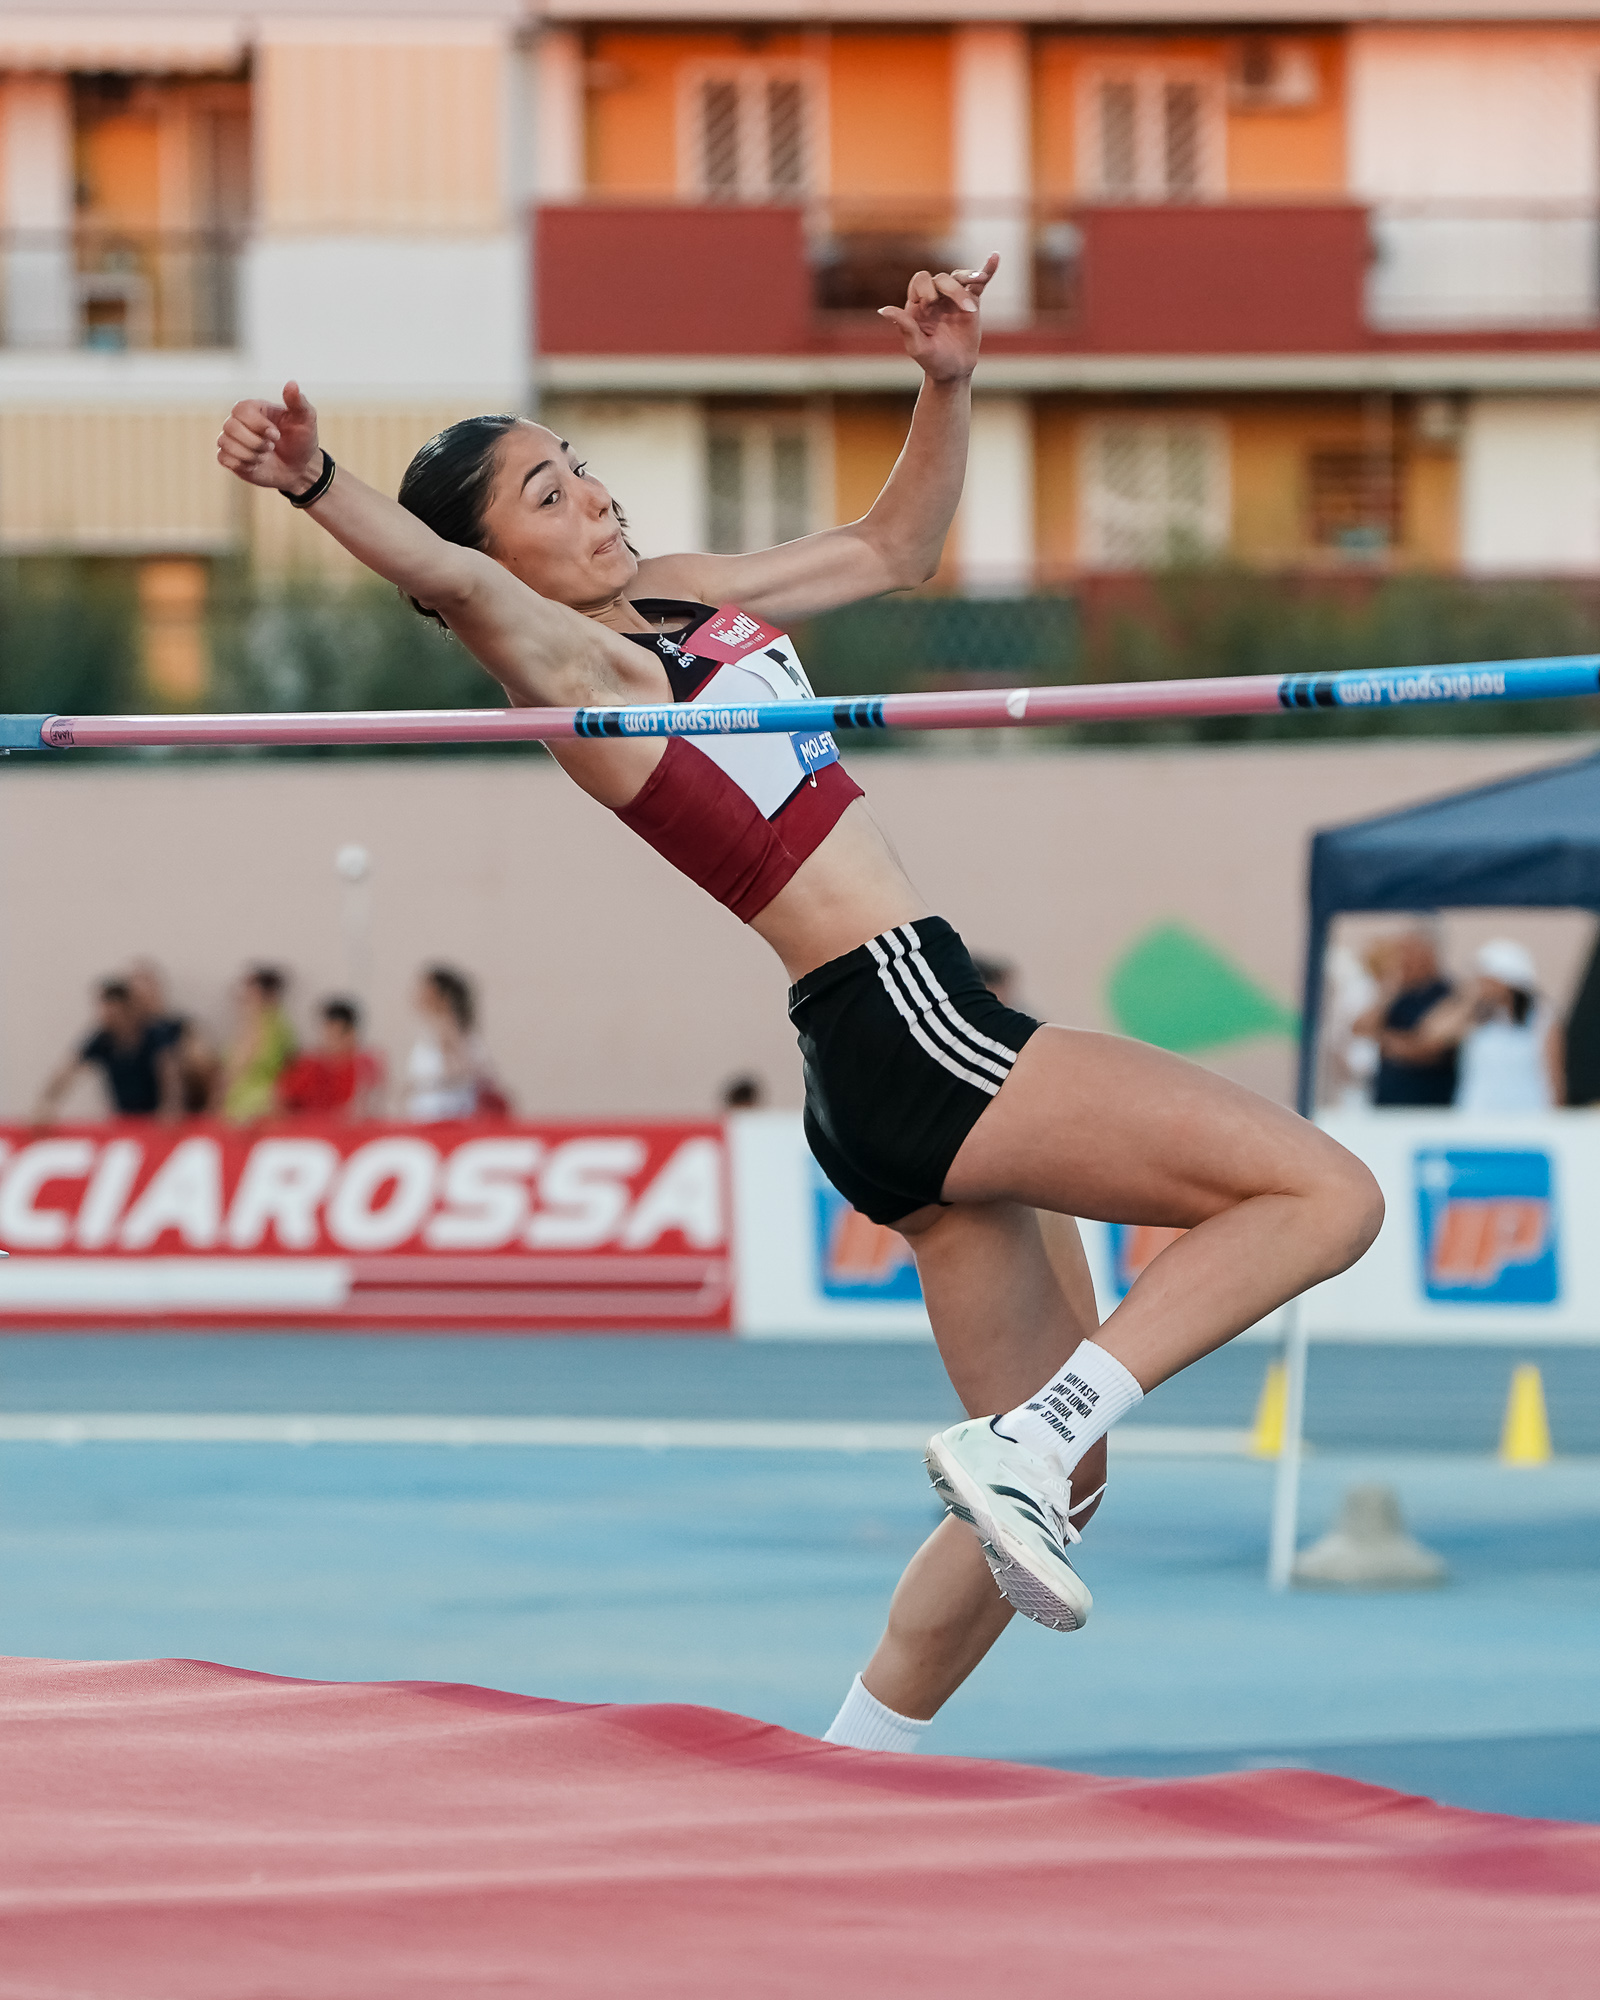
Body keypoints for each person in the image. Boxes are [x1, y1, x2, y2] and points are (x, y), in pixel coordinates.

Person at [216, 255, 1381, 1753]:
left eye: (580, 467)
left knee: (1063, 1490)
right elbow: (448, 583)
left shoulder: (683, 594)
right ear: (495, 556)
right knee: (1322, 1196)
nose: (593, 498)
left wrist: (946, 383)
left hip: (874, 1046)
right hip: (907, 1019)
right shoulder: (570, 662)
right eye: (547, 496)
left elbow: (895, 549)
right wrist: (319, 483)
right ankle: (1031, 1437)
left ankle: (854, 1755)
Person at [1406, 940, 1563, 1113]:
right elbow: (1430, 1034)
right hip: (1478, 1113)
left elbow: (1553, 1075)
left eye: (1488, 978)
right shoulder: (1475, 1016)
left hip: (1528, 1113)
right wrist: (1469, 1001)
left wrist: (1555, 1117)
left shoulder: (1540, 1017)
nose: (1482, 984)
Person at [33, 979, 180, 1122]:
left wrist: (170, 1106)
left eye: (114, 1014)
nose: (108, 1019)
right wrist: (46, 1102)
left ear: (128, 1010)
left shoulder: (153, 1035)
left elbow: (168, 1072)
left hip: (153, 1118)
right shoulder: (102, 1040)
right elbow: (67, 1071)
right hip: (125, 1118)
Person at [1355, 928, 1459, 1108]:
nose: (1402, 959)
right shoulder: (1396, 994)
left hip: (1429, 1101)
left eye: (1408, 952)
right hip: (1387, 1101)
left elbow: (1429, 1047)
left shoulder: (1448, 993)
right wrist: (1390, 989)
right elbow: (1360, 1029)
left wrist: (1385, 1041)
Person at [404, 965, 502, 1121]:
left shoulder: (448, 1028)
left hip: (444, 1114)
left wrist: (426, 1084)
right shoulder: (432, 1030)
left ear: (439, 994)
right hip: (427, 1114)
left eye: (424, 988)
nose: (417, 994)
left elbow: (463, 1071)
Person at [277, 998, 386, 1118]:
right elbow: (282, 1102)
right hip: (309, 1127)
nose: (330, 1040)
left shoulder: (364, 1067)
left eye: (337, 1034)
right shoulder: (308, 1066)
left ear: (351, 1034)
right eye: (328, 1033)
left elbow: (369, 1108)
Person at [221, 966, 297, 1122]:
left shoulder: (264, 1026)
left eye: (249, 992)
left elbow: (236, 1069)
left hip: (253, 1103)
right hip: (253, 1099)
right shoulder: (278, 1024)